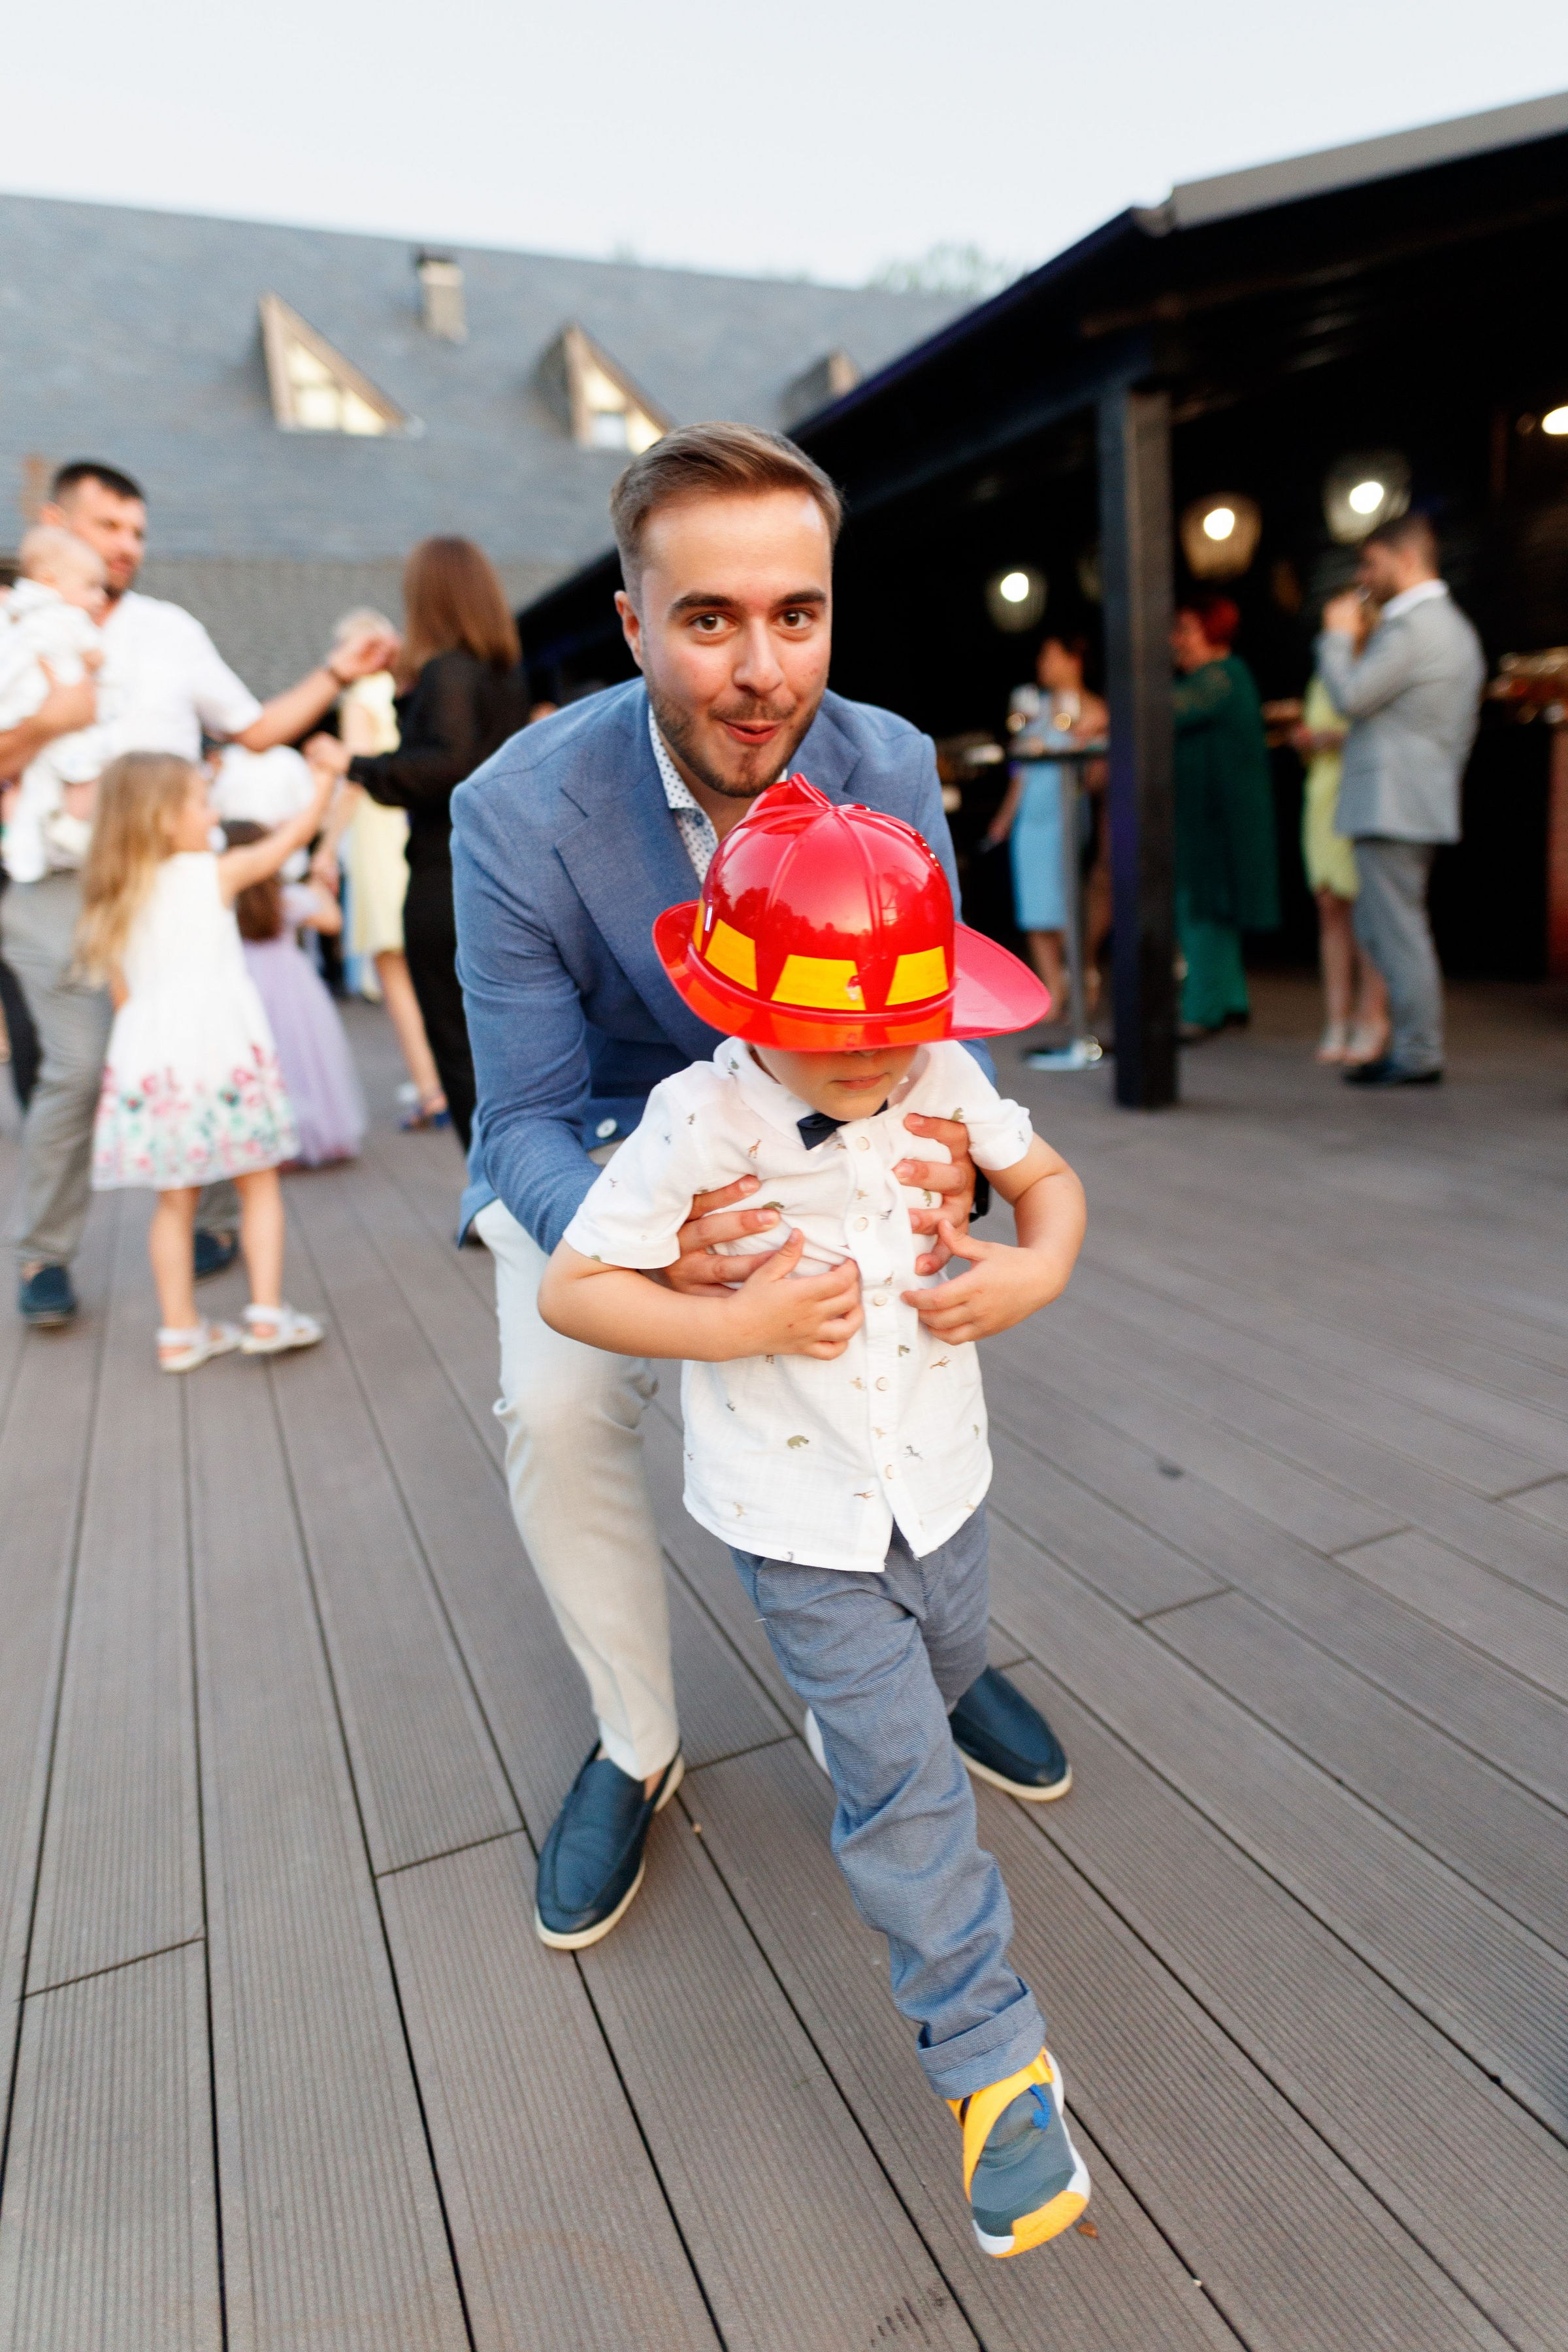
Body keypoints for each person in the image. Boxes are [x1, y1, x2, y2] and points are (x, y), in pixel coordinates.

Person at [452, 421, 1074, 1956]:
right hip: (616, 1159)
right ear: (631, 623)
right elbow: (519, 1113)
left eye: (792, 615)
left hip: (839, 1129)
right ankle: (634, 1739)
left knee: (921, 1308)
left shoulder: (889, 759)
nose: (758, 669)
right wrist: (667, 1260)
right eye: (708, 618)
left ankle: (912, 1660)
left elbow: (919, 1016)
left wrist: (956, 1177)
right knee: (557, 1400)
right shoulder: (510, 808)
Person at [538, 779, 1088, 2260]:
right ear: (738, 997)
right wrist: (736, 1324)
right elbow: (571, 1286)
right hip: (796, 1516)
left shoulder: (942, 1070)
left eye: (896, 1029)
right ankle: (991, 2066)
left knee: (950, 1671)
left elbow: (1051, 1187)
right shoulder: (696, 1118)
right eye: (835, 1039)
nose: (873, 1061)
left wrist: (1030, 1272)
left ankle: (885, 1724)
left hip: (943, 1483)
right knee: (906, 1787)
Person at [0, 460, 397, 1330]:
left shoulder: (169, 631)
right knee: (76, 1065)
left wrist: (335, 674)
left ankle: (213, 1222)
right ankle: (46, 1252)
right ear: (58, 523)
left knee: (198, 1031)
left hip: (170, 883)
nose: (128, 547)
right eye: (110, 528)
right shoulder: (14, 626)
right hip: (55, 884)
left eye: (139, 532)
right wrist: (49, 724)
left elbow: (253, 728)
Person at [78, 753, 331, 1371]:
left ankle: (180, 1331)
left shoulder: (114, 893)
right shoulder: (208, 873)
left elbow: (123, 996)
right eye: (201, 801)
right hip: (222, 1052)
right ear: (166, 819)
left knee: (174, 1202)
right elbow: (292, 838)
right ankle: (267, 1314)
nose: (213, 813)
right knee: (259, 1183)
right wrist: (327, 778)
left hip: (156, 1063)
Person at [306, 542, 529, 1152]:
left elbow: (445, 763)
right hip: (508, 870)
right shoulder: (504, 673)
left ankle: (493, 1191)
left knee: (458, 1048)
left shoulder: (448, 671)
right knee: (510, 1047)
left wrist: (356, 763)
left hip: (445, 871)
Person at [1318, 512, 1485, 1087]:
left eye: (1371, 562)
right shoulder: (1450, 626)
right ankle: (1412, 1046)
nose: (1365, 575)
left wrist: (1338, 635)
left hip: (1396, 803)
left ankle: (1418, 1053)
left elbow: (1353, 696)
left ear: (1405, 558)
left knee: (1398, 932)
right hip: (1415, 799)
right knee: (1382, 927)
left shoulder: (1414, 625)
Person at [310, 611, 449, 1130]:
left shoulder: (361, 699)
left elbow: (354, 778)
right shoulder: (407, 690)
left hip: (376, 834)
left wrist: (325, 848)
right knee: (432, 969)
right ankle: (446, 1078)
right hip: (410, 827)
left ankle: (431, 1090)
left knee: (396, 972)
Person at [223, 820, 367, 1166]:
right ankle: (308, 1134)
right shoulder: (286, 899)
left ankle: (263, 1139)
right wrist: (319, 885)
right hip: (292, 985)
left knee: (260, 1064)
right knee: (303, 1061)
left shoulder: (224, 901)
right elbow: (332, 921)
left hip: (241, 982)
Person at [1170, 597, 1279, 1039]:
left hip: (1215, 823)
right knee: (1215, 909)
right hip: (1216, 819)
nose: (1177, 642)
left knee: (1203, 907)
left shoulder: (1219, 677)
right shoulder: (1222, 678)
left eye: (1186, 631)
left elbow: (1165, 710)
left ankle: (1203, 1009)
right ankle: (1231, 1000)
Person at [984, 636, 1108, 1018]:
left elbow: (1097, 778)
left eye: (1051, 656)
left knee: (1065, 900)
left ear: (1074, 660)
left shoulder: (1094, 710)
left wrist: (1083, 744)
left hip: (1065, 812)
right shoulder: (1033, 705)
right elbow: (1020, 771)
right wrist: (1005, 816)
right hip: (1031, 815)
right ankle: (1054, 987)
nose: (1044, 664)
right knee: (1034, 903)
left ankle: (1083, 973)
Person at [0, 527, 119, 879]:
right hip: (50, 708)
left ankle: (17, 834)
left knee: (21, 784)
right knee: (85, 769)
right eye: (91, 587)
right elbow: (95, 660)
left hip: (20, 708)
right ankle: (65, 824)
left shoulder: (18, 612)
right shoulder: (68, 619)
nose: (99, 597)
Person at [1292, 669, 1388, 1064]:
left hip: (1365, 791)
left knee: (1369, 909)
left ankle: (1373, 1016)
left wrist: (1337, 738)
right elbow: (1310, 751)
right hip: (1323, 793)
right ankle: (1337, 1019)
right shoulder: (1320, 679)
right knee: (1330, 905)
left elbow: (1390, 738)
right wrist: (1306, 742)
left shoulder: (1380, 669)